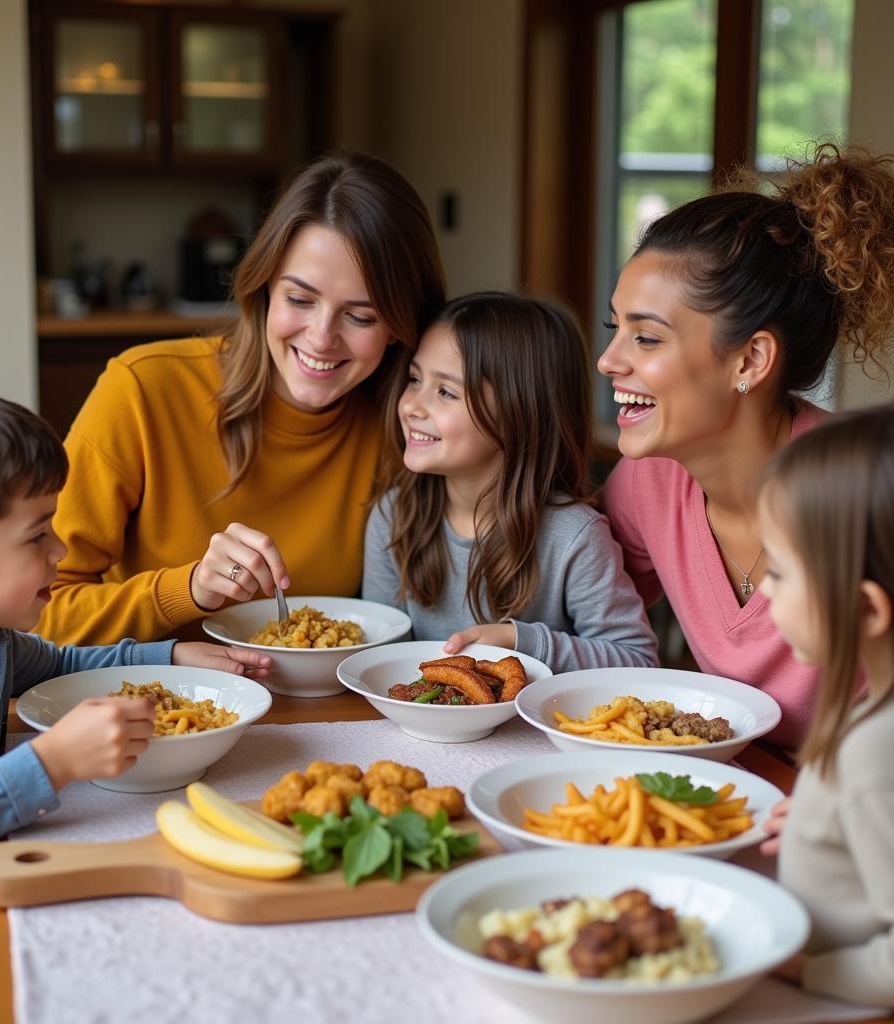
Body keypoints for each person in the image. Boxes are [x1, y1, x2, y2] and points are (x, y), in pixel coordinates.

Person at [0, 380, 267, 1022]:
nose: (60, 551)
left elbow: (63, 664)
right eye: (36, 538)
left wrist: (169, 656)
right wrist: (52, 761)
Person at [37, 152, 446, 646]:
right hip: (161, 706)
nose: (320, 339)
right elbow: (34, 616)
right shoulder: (143, 390)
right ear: (264, 288)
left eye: (360, 317)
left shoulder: (409, 430)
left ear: (402, 328)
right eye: (299, 299)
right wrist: (184, 589)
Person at [599, 144, 894, 747]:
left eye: (647, 338)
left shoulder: (862, 491)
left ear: (751, 360)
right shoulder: (649, 481)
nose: (608, 360)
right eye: (616, 328)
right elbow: (590, 614)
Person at [362, 292, 657, 671]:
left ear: (517, 414)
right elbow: (378, 657)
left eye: (446, 392)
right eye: (415, 379)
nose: (412, 405)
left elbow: (638, 660)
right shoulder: (394, 515)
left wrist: (522, 642)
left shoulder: (574, 537)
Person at [756, 405, 894, 1008]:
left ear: (866, 610)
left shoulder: (873, 755)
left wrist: (802, 971)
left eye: (780, 573)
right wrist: (822, 818)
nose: (763, 590)